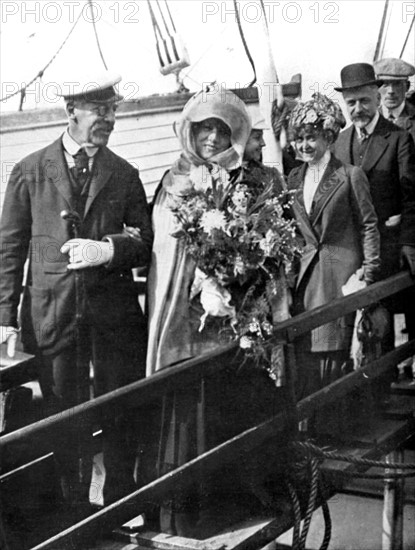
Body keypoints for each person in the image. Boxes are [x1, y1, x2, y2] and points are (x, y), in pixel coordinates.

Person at [0, 72, 153, 509]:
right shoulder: (30, 170)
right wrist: (4, 316)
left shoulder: (124, 174)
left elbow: (144, 240)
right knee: (63, 417)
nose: (108, 119)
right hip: (53, 315)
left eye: (113, 111)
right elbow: (9, 247)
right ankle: (72, 513)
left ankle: (121, 503)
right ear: (72, 112)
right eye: (100, 111)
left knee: (119, 410)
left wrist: (107, 250)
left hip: (113, 319)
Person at [145, 87, 251, 535]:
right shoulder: (169, 179)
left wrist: (221, 276)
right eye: (204, 128)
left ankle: (212, 508)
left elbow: (250, 243)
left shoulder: (242, 179)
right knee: (176, 397)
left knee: (213, 400)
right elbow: (158, 244)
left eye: (220, 130)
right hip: (171, 307)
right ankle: (169, 509)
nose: (211, 138)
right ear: (191, 131)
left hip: (215, 315)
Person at [288, 93, 380, 407]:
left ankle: (340, 424)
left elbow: (369, 224)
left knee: (337, 346)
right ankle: (313, 428)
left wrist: (369, 272)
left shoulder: (350, 175)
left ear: (328, 136)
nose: (303, 146)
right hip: (307, 275)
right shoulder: (293, 178)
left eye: (310, 138)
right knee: (308, 348)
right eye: (298, 139)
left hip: (340, 271)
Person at [334, 63, 415, 349]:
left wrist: (407, 242)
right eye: (351, 103)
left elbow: (410, 196)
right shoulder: (339, 142)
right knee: (352, 327)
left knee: (385, 324)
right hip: (350, 251)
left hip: (388, 248)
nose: (358, 108)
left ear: (378, 99)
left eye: (365, 100)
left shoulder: (397, 138)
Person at [374, 57, 415, 142]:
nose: (391, 91)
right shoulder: (370, 118)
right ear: (376, 87)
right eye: (385, 84)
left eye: (397, 84)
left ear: (407, 87)